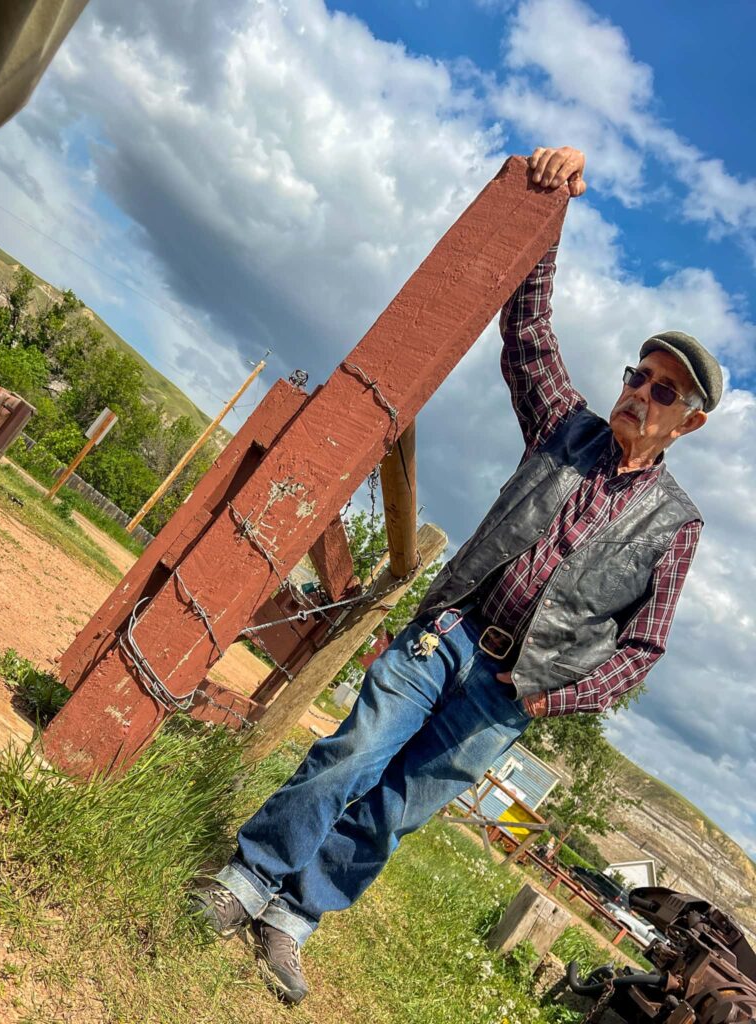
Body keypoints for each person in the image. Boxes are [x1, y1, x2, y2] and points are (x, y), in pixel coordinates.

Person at [190, 146, 722, 1004]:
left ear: (686, 425)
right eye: (639, 374)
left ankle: (292, 920)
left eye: (664, 393)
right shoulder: (567, 427)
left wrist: (552, 698)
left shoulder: (677, 523)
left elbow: (643, 646)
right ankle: (249, 880)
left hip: (511, 693)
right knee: (355, 751)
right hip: (451, 632)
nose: (640, 394)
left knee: (396, 808)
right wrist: (551, 213)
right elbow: (529, 333)